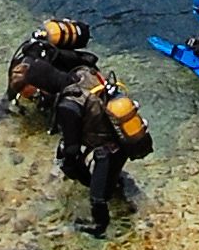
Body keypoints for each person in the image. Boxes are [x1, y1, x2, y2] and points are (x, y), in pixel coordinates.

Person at [52, 72, 139, 237]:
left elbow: (72, 149)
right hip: (122, 142)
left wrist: (67, 162)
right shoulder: (87, 82)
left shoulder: (69, 104)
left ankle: (100, 228)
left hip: (107, 152)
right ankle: (121, 192)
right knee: (111, 179)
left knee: (97, 197)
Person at [5, 17, 100, 123]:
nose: (28, 96)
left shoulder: (46, 76)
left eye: (29, 94)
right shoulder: (22, 65)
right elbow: (10, 94)